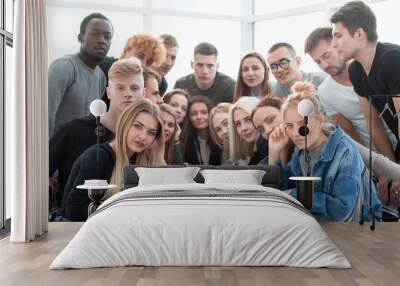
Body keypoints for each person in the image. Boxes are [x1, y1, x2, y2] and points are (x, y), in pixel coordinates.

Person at [268, 81, 381, 221]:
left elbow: (343, 212)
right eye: (289, 126)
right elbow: (281, 192)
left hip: (357, 230)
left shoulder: (344, 152)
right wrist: (273, 153)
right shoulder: (300, 153)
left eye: (302, 124)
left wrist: (294, 195)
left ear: (320, 121)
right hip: (319, 226)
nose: (296, 133)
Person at [49, 58, 144, 211]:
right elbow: (36, 174)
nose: (128, 94)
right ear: (108, 92)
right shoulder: (74, 130)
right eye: (120, 88)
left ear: (143, 93)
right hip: (73, 223)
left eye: (134, 88)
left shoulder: (144, 140)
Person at [330, 0, 400, 205]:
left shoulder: (392, 59)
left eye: (338, 36)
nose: (333, 44)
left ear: (359, 34)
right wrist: (391, 170)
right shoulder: (356, 71)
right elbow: (373, 124)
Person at [60, 99, 166, 221]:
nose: (143, 136)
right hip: (75, 232)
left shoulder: (139, 160)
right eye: (138, 126)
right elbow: (73, 210)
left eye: (151, 133)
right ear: (125, 123)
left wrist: (156, 157)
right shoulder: (99, 156)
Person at [305, 27, 374, 147]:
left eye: (326, 56)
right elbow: (349, 134)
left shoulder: (368, 66)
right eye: (318, 62)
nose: (324, 65)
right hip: (374, 154)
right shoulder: (325, 92)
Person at [48, 13, 113, 137]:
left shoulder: (101, 77)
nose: (101, 40)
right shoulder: (63, 67)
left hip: (78, 152)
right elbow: (45, 115)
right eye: (94, 34)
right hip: (55, 151)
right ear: (80, 38)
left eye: (107, 36)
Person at [99, 33, 166, 107]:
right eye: (140, 56)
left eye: (149, 62)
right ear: (125, 51)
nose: (143, 64)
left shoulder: (155, 82)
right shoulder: (103, 66)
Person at [181, 95, 221, 165]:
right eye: (193, 114)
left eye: (204, 112)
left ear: (211, 113)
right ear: (188, 117)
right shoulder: (184, 140)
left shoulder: (220, 136)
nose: (199, 117)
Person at [252, 96, 291, 165]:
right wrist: (274, 154)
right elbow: (272, 175)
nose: (267, 130)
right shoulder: (263, 144)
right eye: (261, 129)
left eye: (270, 120)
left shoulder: (306, 142)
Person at [228, 96, 268, 165]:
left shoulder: (263, 142)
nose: (243, 128)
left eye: (248, 119)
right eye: (238, 124)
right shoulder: (254, 148)